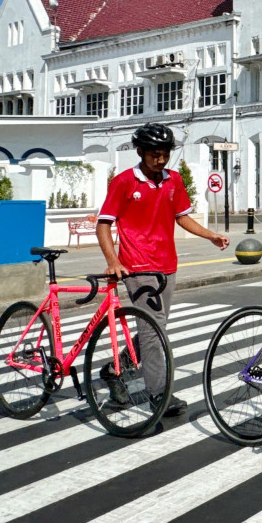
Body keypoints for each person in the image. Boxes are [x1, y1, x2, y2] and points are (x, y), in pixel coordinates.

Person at [96, 123, 230, 416]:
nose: (160, 159)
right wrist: (113, 261)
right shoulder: (124, 182)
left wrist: (210, 235)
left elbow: (182, 217)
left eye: (165, 154)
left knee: (154, 328)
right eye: (154, 154)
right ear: (141, 152)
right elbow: (103, 223)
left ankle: (113, 370)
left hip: (167, 265)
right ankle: (159, 394)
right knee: (154, 331)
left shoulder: (173, 181)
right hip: (136, 266)